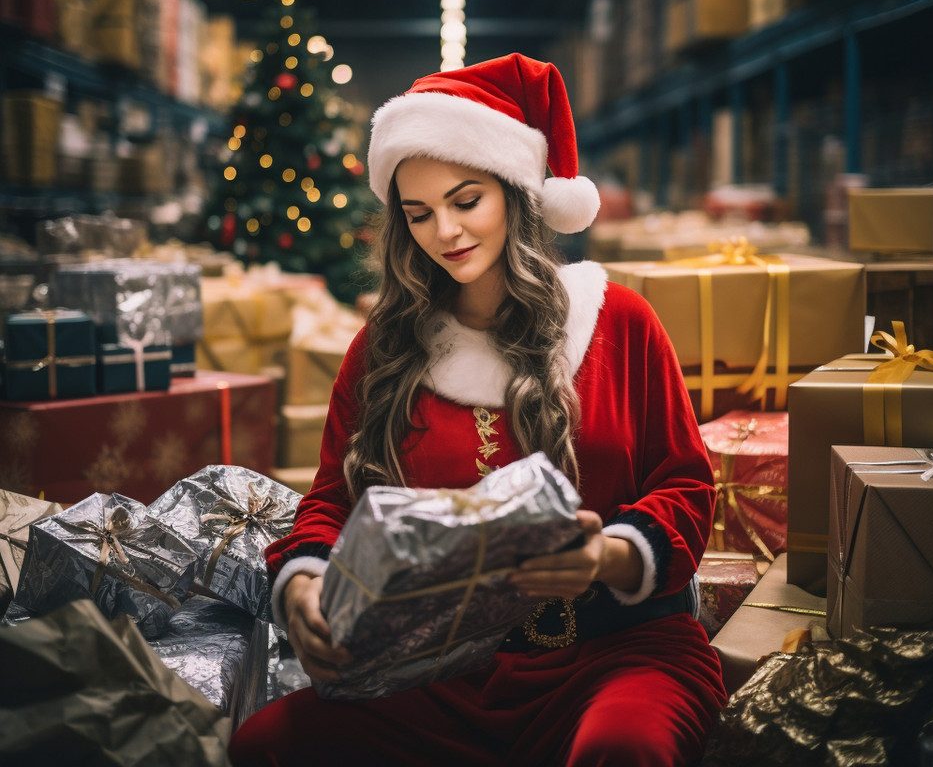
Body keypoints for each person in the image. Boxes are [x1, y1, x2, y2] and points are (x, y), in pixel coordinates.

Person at [228, 53, 726, 767]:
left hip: (615, 655)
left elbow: (687, 486)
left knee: (622, 752)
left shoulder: (618, 322)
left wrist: (607, 556)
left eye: (467, 201)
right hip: (437, 672)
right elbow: (333, 500)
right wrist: (303, 580)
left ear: (516, 194)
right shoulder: (386, 349)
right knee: (269, 745)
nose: (445, 233)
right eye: (419, 213)